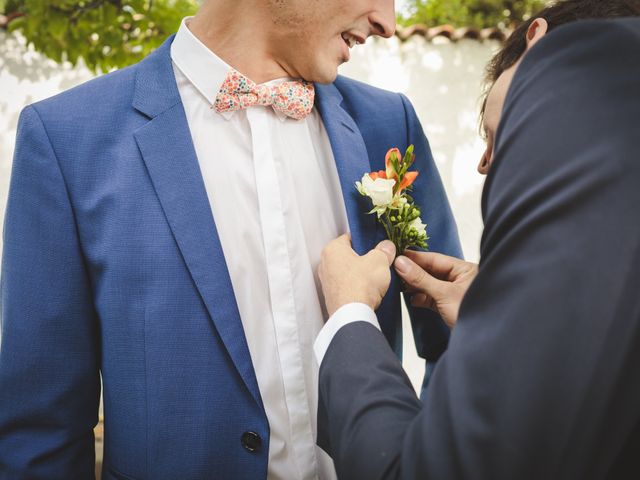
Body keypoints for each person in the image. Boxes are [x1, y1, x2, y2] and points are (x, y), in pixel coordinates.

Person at [0, 1, 462, 479]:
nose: (388, 23)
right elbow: (40, 435)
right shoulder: (67, 141)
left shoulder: (389, 124)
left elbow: (459, 348)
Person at [315, 14, 640, 480]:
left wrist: (350, 316)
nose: (486, 166)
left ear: (538, 44)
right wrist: (506, 316)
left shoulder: (585, 82)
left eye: (489, 139)